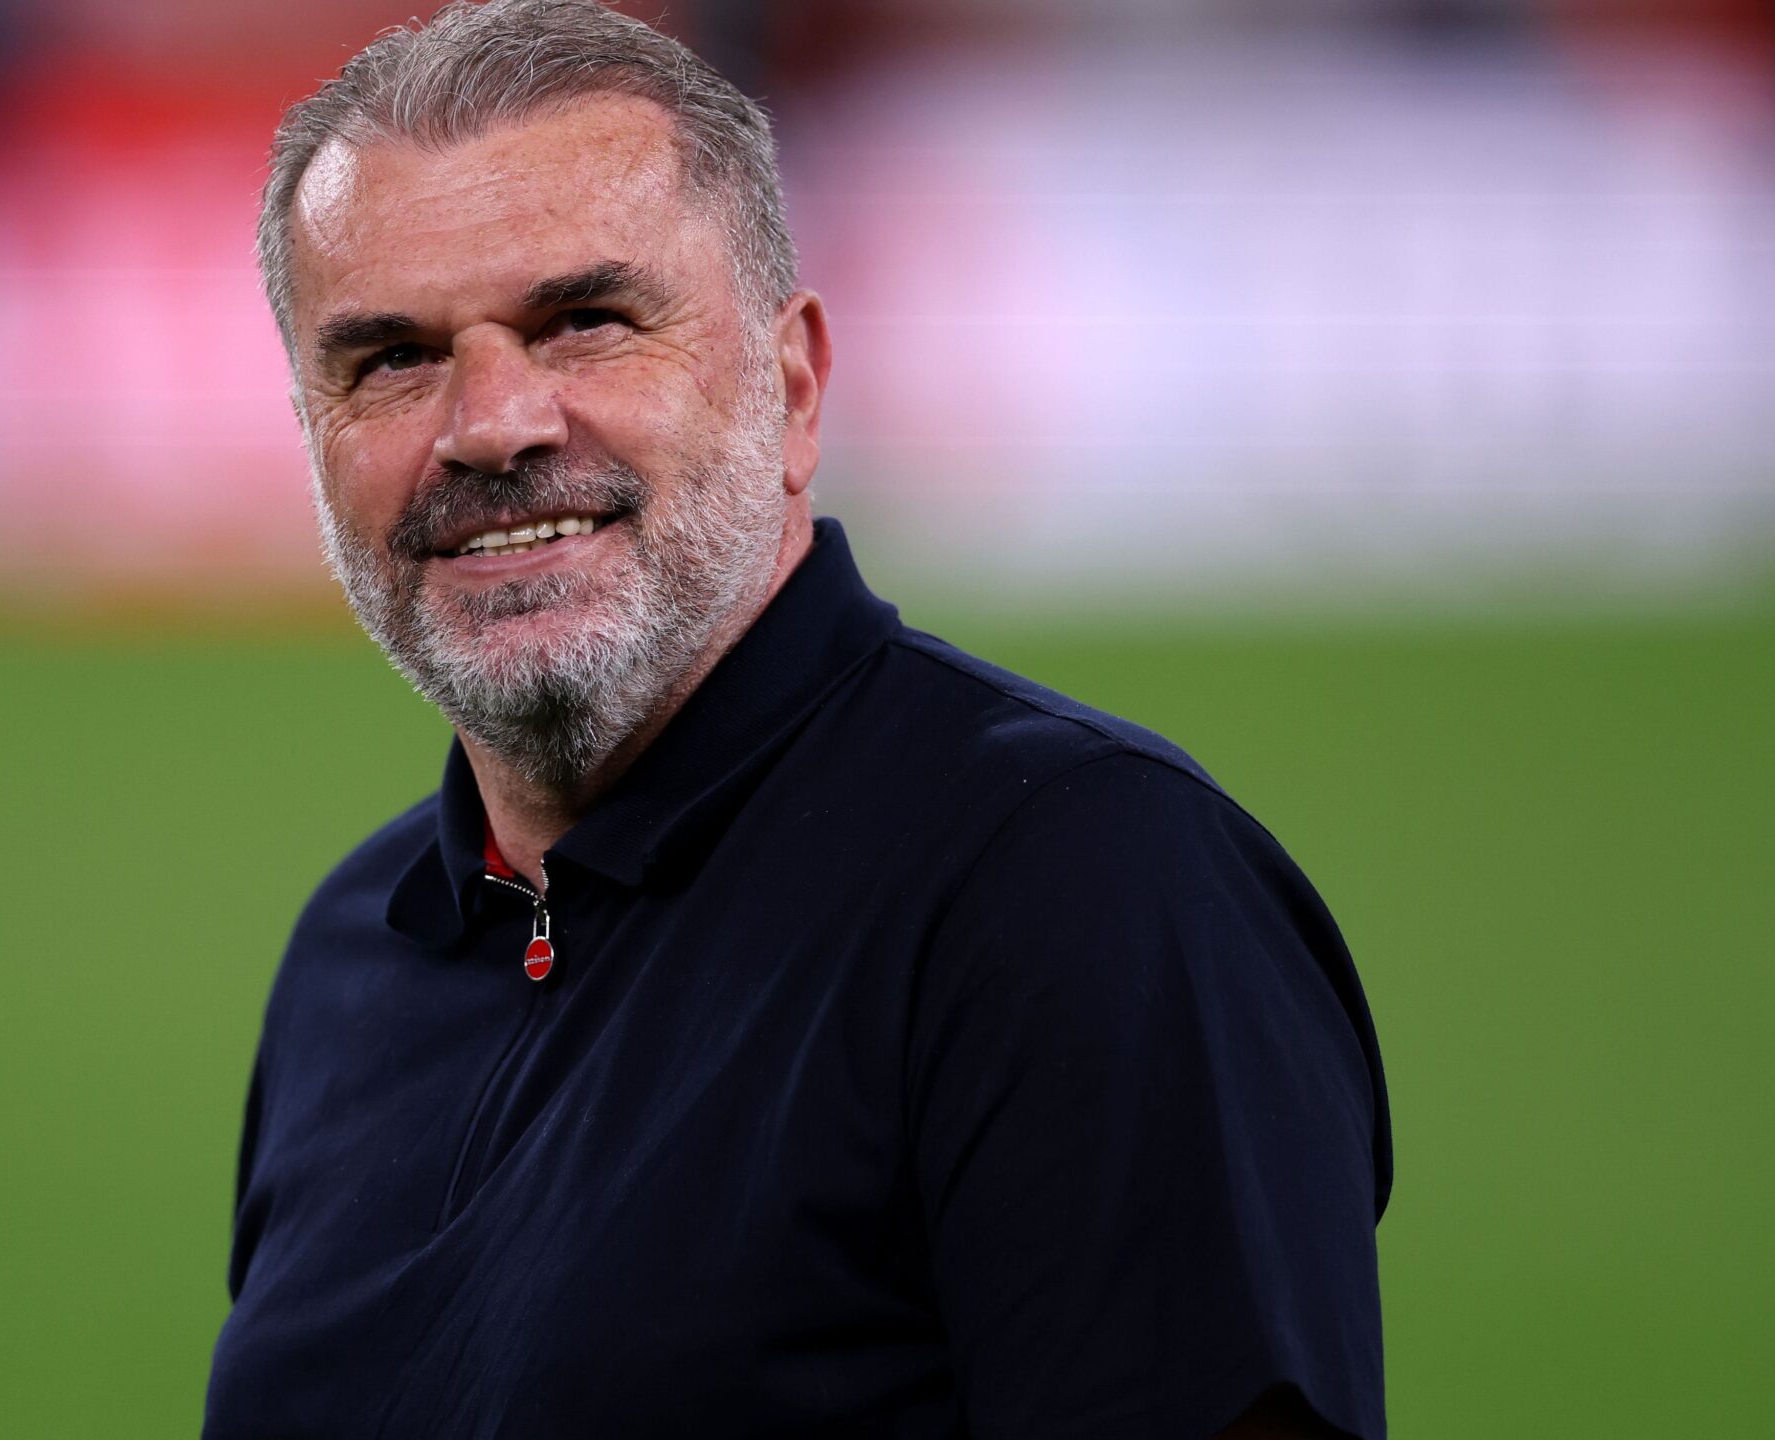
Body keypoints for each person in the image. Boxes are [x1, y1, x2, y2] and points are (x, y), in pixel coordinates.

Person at [204, 3, 1390, 1436]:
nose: (494, 423)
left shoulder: (1077, 889)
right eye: (392, 358)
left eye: (586, 323)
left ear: (795, 384)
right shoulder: (350, 960)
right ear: (310, 435)